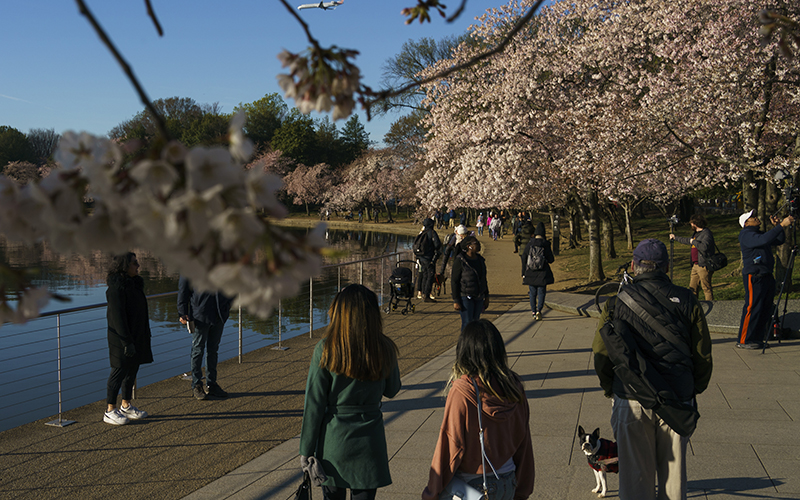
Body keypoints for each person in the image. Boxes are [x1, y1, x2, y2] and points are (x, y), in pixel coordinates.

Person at [592, 239, 713, 500]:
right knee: (674, 478)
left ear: (635, 266)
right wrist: (696, 387)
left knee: (634, 477)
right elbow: (702, 352)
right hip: (676, 397)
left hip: (632, 394)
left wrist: (609, 387)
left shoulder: (616, 303)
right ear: (666, 267)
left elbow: (601, 353)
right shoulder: (688, 300)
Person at [299, 284, 401, 500]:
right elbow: (393, 390)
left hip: (334, 441)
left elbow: (314, 405)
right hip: (370, 440)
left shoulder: (326, 348)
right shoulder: (384, 347)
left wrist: (306, 449)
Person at [422, 319, 535, 500]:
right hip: (508, 481)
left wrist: (432, 492)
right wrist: (523, 488)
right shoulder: (513, 386)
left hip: (473, 486)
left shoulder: (463, 390)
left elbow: (451, 447)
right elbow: (524, 441)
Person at [104, 252, 153, 425]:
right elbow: (118, 318)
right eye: (134, 263)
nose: (138, 265)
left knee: (132, 369)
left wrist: (144, 334)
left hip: (137, 335)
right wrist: (126, 342)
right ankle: (110, 409)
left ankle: (126, 404)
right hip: (121, 338)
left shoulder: (134, 285)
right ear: (124, 266)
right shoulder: (116, 289)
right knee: (118, 370)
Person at [736, 209, 795, 348]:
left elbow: (779, 240)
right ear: (746, 223)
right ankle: (744, 340)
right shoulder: (746, 234)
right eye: (752, 217)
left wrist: (777, 226)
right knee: (752, 307)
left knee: (765, 308)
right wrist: (781, 226)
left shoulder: (758, 233)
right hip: (754, 276)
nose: (756, 218)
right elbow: (763, 240)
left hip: (766, 275)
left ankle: (757, 337)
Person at [178, 277, 234, 400]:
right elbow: (183, 288)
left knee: (213, 350)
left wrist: (228, 303)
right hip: (200, 313)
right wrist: (182, 311)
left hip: (219, 312)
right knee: (198, 350)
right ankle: (197, 385)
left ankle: (212, 384)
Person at [669, 214, 716, 300]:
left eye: (692, 223)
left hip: (703, 265)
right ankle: (694, 306)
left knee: (706, 288)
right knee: (692, 288)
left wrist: (694, 242)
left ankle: (711, 305)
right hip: (695, 265)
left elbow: (704, 247)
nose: (691, 225)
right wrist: (676, 238)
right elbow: (688, 241)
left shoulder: (706, 234)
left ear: (696, 223)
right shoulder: (696, 234)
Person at [451, 236, 490, 330]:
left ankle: (474, 343)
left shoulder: (480, 260)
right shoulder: (460, 260)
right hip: (465, 296)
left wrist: (486, 296)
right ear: (469, 246)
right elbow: (454, 280)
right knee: (467, 323)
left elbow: (483, 279)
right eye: (475, 243)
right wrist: (456, 300)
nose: (478, 244)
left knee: (476, 322)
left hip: (479, 295)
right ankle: (465, 343)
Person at [522, 222, 555, 321]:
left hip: (530, 272)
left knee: (532, 293)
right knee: (541, 292)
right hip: (542, 273)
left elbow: (524, 257)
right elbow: (551, 259)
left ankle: (533, 311)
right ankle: (539, 310)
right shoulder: (545, 244)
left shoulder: (530, 244)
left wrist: (523, 272)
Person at [415, 217, 442, 302]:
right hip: (429, 258)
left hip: (421, 258)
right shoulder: (432, 233)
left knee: (424, 275)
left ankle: (423, 293)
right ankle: (426, 295)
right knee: (430, 276)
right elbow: (437, 245)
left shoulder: (422, 233)